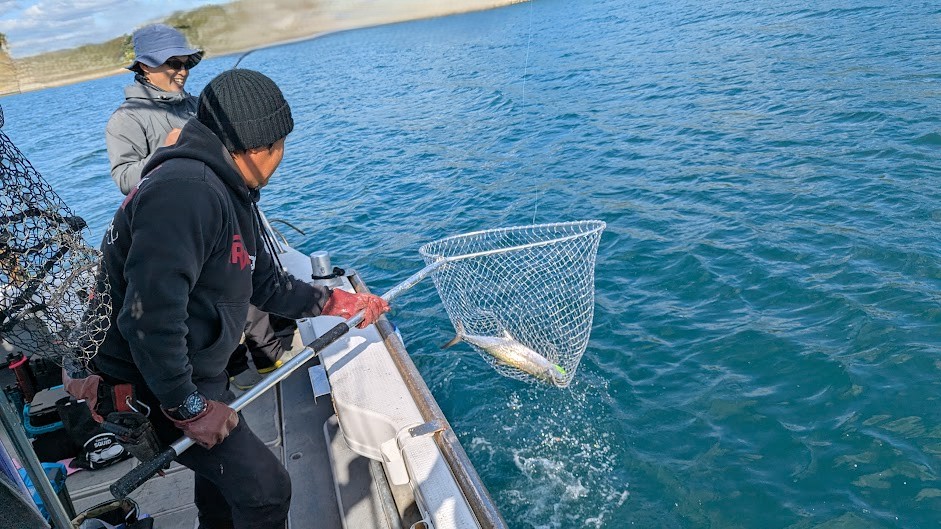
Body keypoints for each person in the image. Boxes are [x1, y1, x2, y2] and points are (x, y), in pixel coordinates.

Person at [69, 69, 389, 529]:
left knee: (222, 490)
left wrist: (339, 303)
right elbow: (147, 319)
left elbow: (267, 284)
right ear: (260, 147)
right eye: (282, 144)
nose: (283, 157)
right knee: (267, 492)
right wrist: (188, 408)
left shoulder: (229, 187)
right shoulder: (186, 193)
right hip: (152, 386)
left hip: (198, 372)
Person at [107, 23, 290, 384]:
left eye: (187, 62)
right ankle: (226, 376)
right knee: (210, 304)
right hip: (186, 229)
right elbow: (125, 179)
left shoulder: (196, 104)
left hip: (231, 211)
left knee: (251, 287)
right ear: (144, 67)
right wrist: (166, 151)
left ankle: (270, 363)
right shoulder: (125, 120)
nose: (182, 71)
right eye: (172, 63)